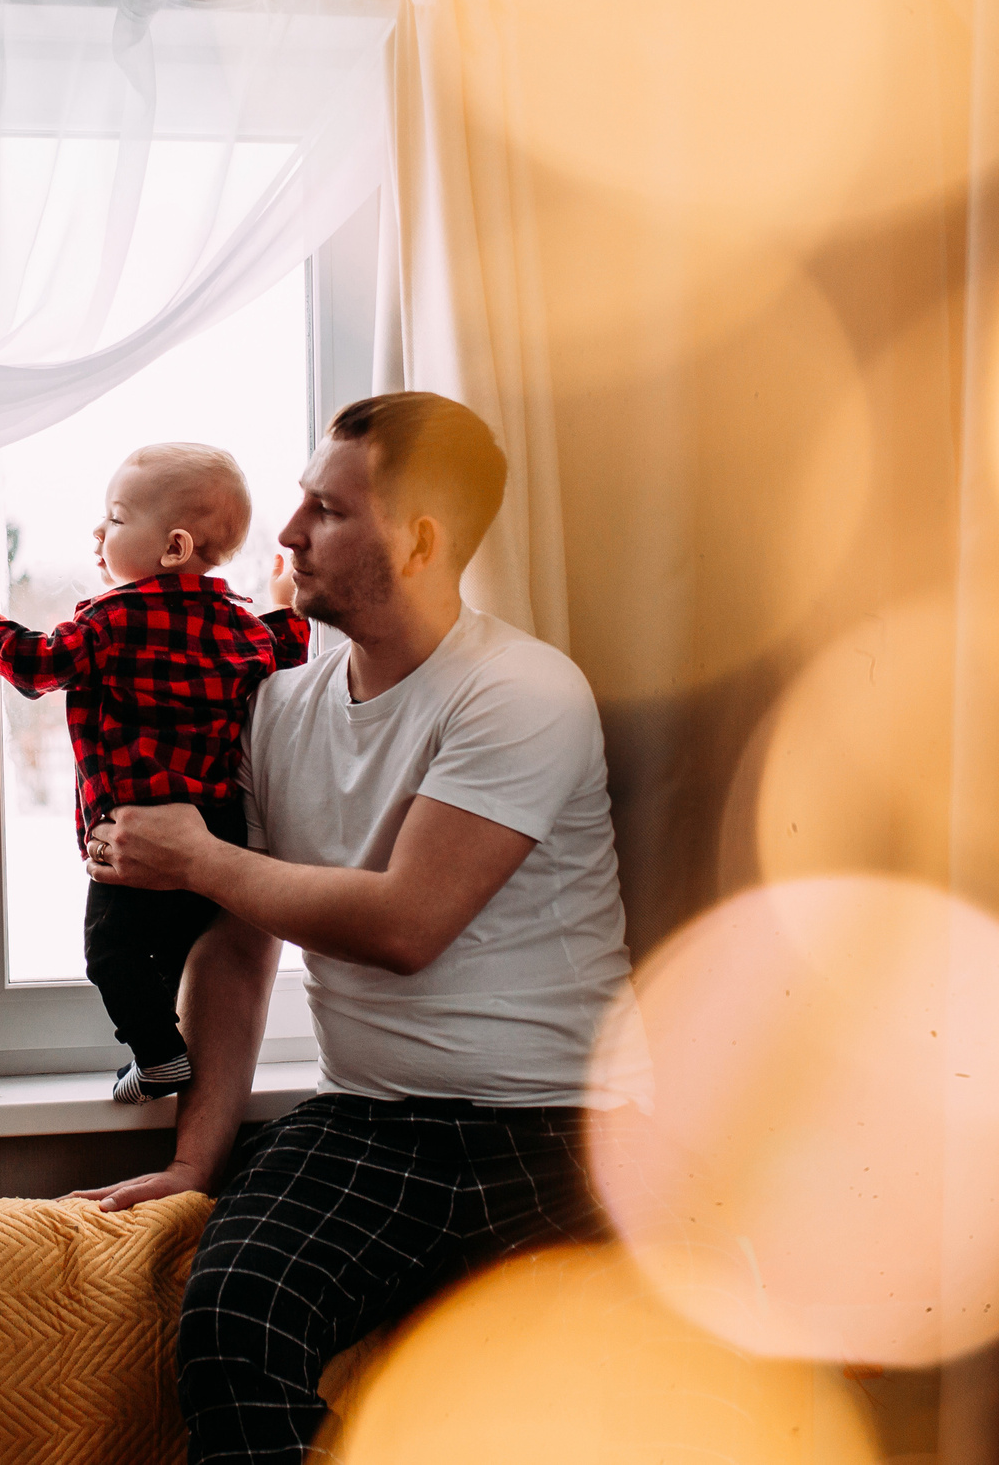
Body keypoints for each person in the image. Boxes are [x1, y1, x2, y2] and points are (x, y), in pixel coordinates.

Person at [76, 394, 650, 1465]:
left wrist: (199, 858)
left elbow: (406, 923)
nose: (287, 534)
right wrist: (196, 1158)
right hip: (370, 1121)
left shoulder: (521, 692)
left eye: (326, 511)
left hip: (560, 1127)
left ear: (420, 541)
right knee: (228, 1328)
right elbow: (240, 945)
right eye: (299, 503)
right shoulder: (274, 708)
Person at [0, 443, 310, 1105]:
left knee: (112, 955)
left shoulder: (108, 622)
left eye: (113, 517)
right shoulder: (242, 626)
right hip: (215, 833)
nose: (97, 532)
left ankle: (160, 1056)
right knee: (172, 956)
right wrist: (285, 603)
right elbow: (286, 652)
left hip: (136, 831)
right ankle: (163, 1048)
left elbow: (35, 665)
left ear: (172, 546)